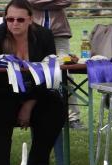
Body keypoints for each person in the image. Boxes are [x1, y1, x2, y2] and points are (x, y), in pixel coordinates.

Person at [0, 0, 66, 165]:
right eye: (10, 19)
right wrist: (18, 100)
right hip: (5, 91)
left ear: (30, 19)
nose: (14, 23)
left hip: (37, 92)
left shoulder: (44, 35)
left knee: (56, 106)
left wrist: (28, 104)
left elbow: (48, 73)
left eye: (20, 20)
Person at [28, 0, 85, 130]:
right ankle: (37, 112)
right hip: (34, 32)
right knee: (37, 72)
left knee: (65, 72)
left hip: (60, 34)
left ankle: (73, 118)